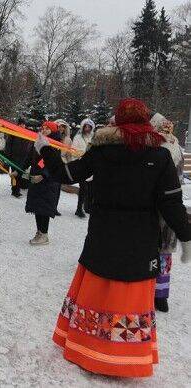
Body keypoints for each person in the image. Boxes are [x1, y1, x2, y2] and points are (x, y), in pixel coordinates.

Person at [36, 98, 191, 378]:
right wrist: (186, 236)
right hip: (140, 243)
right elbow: (171, 202)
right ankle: (123, 357)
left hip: (102, 238)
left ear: (117, 121)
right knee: (128, 298)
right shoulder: (160, 156)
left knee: (98, 291)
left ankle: (87, 346)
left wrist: (46, 149)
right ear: (146, 122)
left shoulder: (102, 151)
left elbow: (67, 174)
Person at [151, 115, 184, 313]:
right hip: (170, 206)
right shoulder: (176, 147)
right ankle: (161, 296)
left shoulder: (155, 149)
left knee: (152, 252)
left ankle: (152, 293)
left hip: (155, 207)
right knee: (163, 254)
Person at [25, 121, 62, 245]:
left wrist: (43, 175)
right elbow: (30, 158)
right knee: (36, 206)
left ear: (53, 131)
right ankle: (39, 231)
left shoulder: (56, 145)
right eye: (43, 128)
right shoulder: (38, 142)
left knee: (44, 207)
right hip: (36, 178)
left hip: (48, 181)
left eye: (48, 128)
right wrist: (17, 170)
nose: (44, 130)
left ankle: (44, 234)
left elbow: (54, 163)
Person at [72, 118, 95, 218]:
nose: (87, 128)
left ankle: (87, 207)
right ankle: (78, 208)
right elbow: (73, 150)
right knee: (83, 188)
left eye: (89, 127)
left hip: (91, 165)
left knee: (90, 188)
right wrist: (79, 156)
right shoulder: (78, 137)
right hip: (81, 164)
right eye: (85, 126)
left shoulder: (94, 137)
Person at [4, 118, 32, 198]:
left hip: (23, 158)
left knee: (20, 174)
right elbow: (8, 145)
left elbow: (28, 145)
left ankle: (17, 189)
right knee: (14, 175)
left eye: (23, 124)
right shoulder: (13, 133)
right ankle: (14, 190)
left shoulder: (26, 133)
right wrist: (8, 157)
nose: (22, 126)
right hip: (14, 158)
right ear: (18, 125)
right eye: (21, 124)